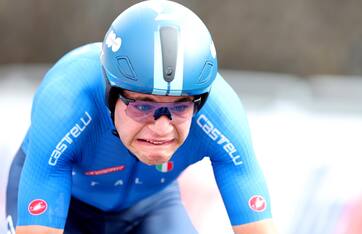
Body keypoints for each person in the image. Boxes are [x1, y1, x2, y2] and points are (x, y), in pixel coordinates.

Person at [6, 0, 276, 233]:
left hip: (151, 206)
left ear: (199, 102)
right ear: (110, 94)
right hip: (66, 206)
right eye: (143, 105)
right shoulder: (67, 100)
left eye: (180, 107)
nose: (161, 127)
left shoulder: (221, 114)